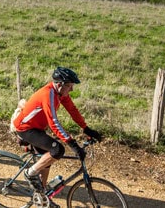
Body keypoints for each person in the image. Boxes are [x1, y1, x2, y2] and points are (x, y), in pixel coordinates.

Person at [12, 67, 102, 197]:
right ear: (60, 84)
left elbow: (73, 110)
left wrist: (86, 128)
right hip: (25, 128)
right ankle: (30, 173)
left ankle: (41, 196)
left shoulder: (60, 94)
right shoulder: (48, 95)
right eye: (70, 86)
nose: (71, 89)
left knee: (47, 159)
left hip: (36, 128)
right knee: (57, 150)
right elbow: (53, 122)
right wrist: (72, 144)